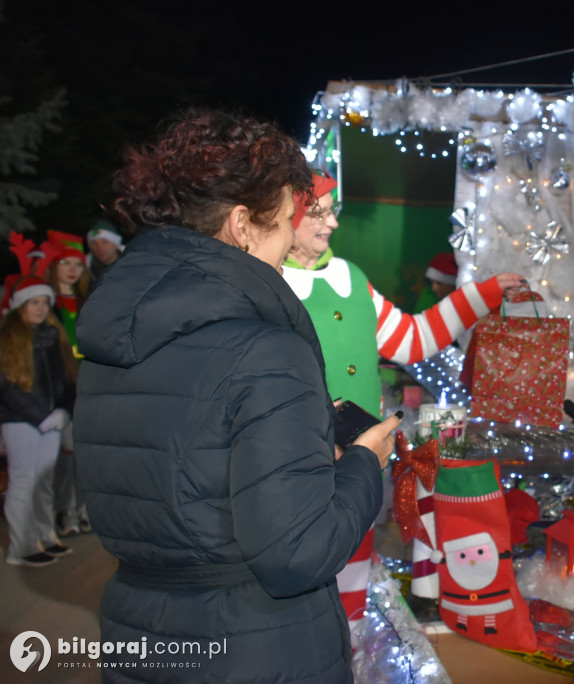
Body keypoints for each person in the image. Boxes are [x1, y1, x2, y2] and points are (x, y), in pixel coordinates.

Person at [74, 109, 400, 683]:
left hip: (140, 631)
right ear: (244, 223)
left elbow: (187, 477)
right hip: (254, 646)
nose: (289, 244)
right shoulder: (268, 350)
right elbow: (296, 554)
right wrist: (363, 468)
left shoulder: (113, 340)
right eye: (284, 221)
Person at [281, 173, 523, 634]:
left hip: (359, 456)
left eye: (334, 209)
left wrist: (482, 295)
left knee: (353, 558)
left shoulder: (350, 277)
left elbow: (413, 339)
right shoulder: (266, 281)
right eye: (319, 212)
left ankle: (347, 647)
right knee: (302, 571)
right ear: (285, 217)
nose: (332, 221)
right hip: (297, 457)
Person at [0, 274, 77, 567]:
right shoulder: (8, 338)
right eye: (34, 302)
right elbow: (6, 385)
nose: (41, 308)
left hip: (53, 420)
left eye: (45, 302)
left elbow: (69, 378)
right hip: (21, 421)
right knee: (23, 482)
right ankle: (20, 547)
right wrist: (40, 416)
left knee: (43, 482)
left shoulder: (53, 335)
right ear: (21, 305)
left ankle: (45, 537)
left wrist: (64, 411)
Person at [44, 230, 91, 536]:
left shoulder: (90, 300)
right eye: (65, 262)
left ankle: (87, 510)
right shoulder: (44, 305)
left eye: (77, 262)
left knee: (89, 455)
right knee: (68, 456)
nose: (72, 269)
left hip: (90, 386)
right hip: (63, 391)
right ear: (53, 266)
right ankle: (67, 512)